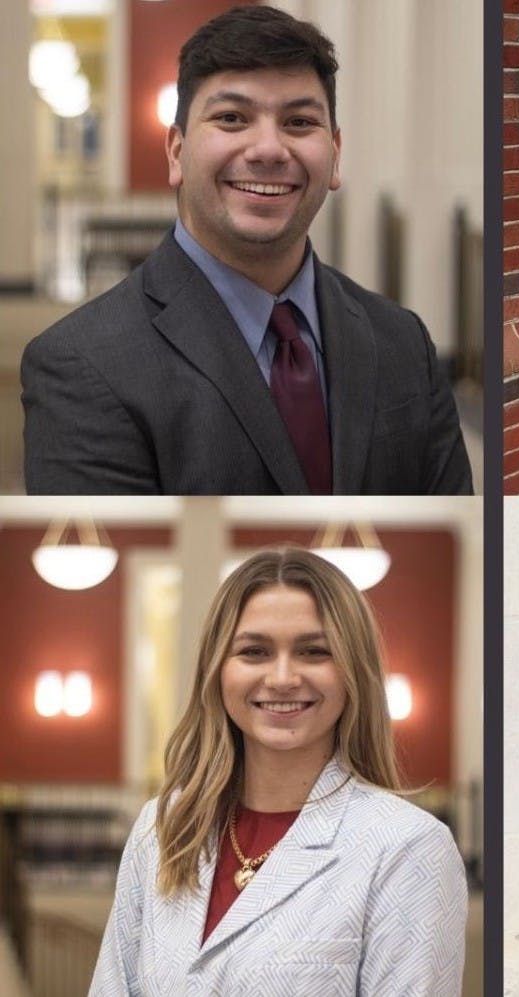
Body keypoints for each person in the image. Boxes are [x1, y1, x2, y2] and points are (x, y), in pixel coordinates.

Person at [22, 5, 472, 496]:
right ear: (176, 151)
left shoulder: (403, 342)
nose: (269, 149)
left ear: (335, 155)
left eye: (299, 122)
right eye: (232, 118)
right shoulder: (81, 365)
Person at [89, 547, 467, 995]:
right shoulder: (162, 824)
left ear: (353, 672)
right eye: (254, 651)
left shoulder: (408, 846)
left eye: (313, 651)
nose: (283, 677)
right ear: (217, 670)